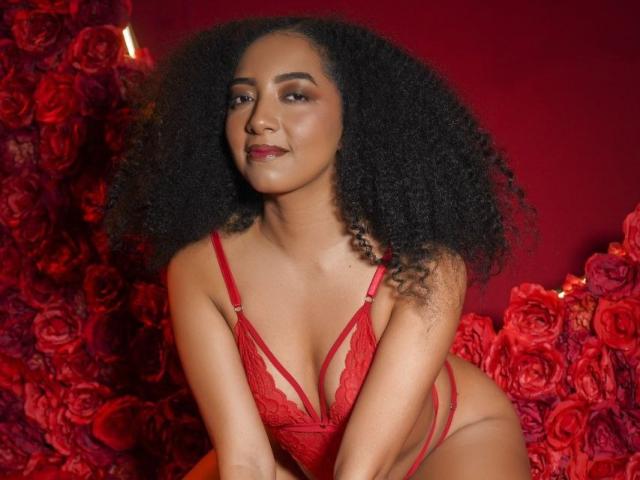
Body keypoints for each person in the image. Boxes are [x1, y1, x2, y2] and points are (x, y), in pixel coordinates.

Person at [104, 14, 537, 480]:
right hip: (295, 467)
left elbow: (359, 468)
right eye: (242, 98)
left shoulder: (424, 267)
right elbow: (246, 460)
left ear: (351, 120)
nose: (258, 120)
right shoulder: (200, 270)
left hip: (447, 444)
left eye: (295, 95)